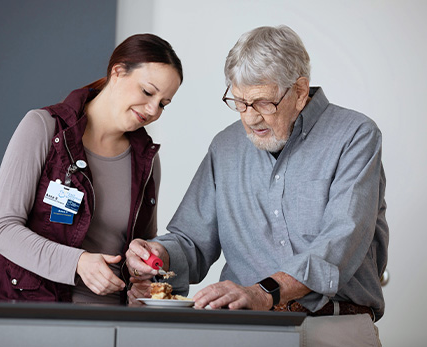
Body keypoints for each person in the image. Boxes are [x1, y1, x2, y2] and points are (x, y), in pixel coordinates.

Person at [126, 26, 387, 346]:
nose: (249, 118)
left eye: (263, 103)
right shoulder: (225, 147)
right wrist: (160, 254)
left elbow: (340, 242)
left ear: (300, 91)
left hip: (333, 329)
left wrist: (265, 291)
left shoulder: (355, 135)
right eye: (239, 102)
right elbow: (192, 242)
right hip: (245, 331)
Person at [0, 33, 183, 304]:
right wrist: (77, 262)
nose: (152, 110)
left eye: (163, 104)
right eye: (147, 92)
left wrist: (142, 277)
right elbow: (2, 230)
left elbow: (142, 248)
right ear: (118, 71)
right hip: (34, 311)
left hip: (115, 323)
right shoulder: (43, 127)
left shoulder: (147, 160)